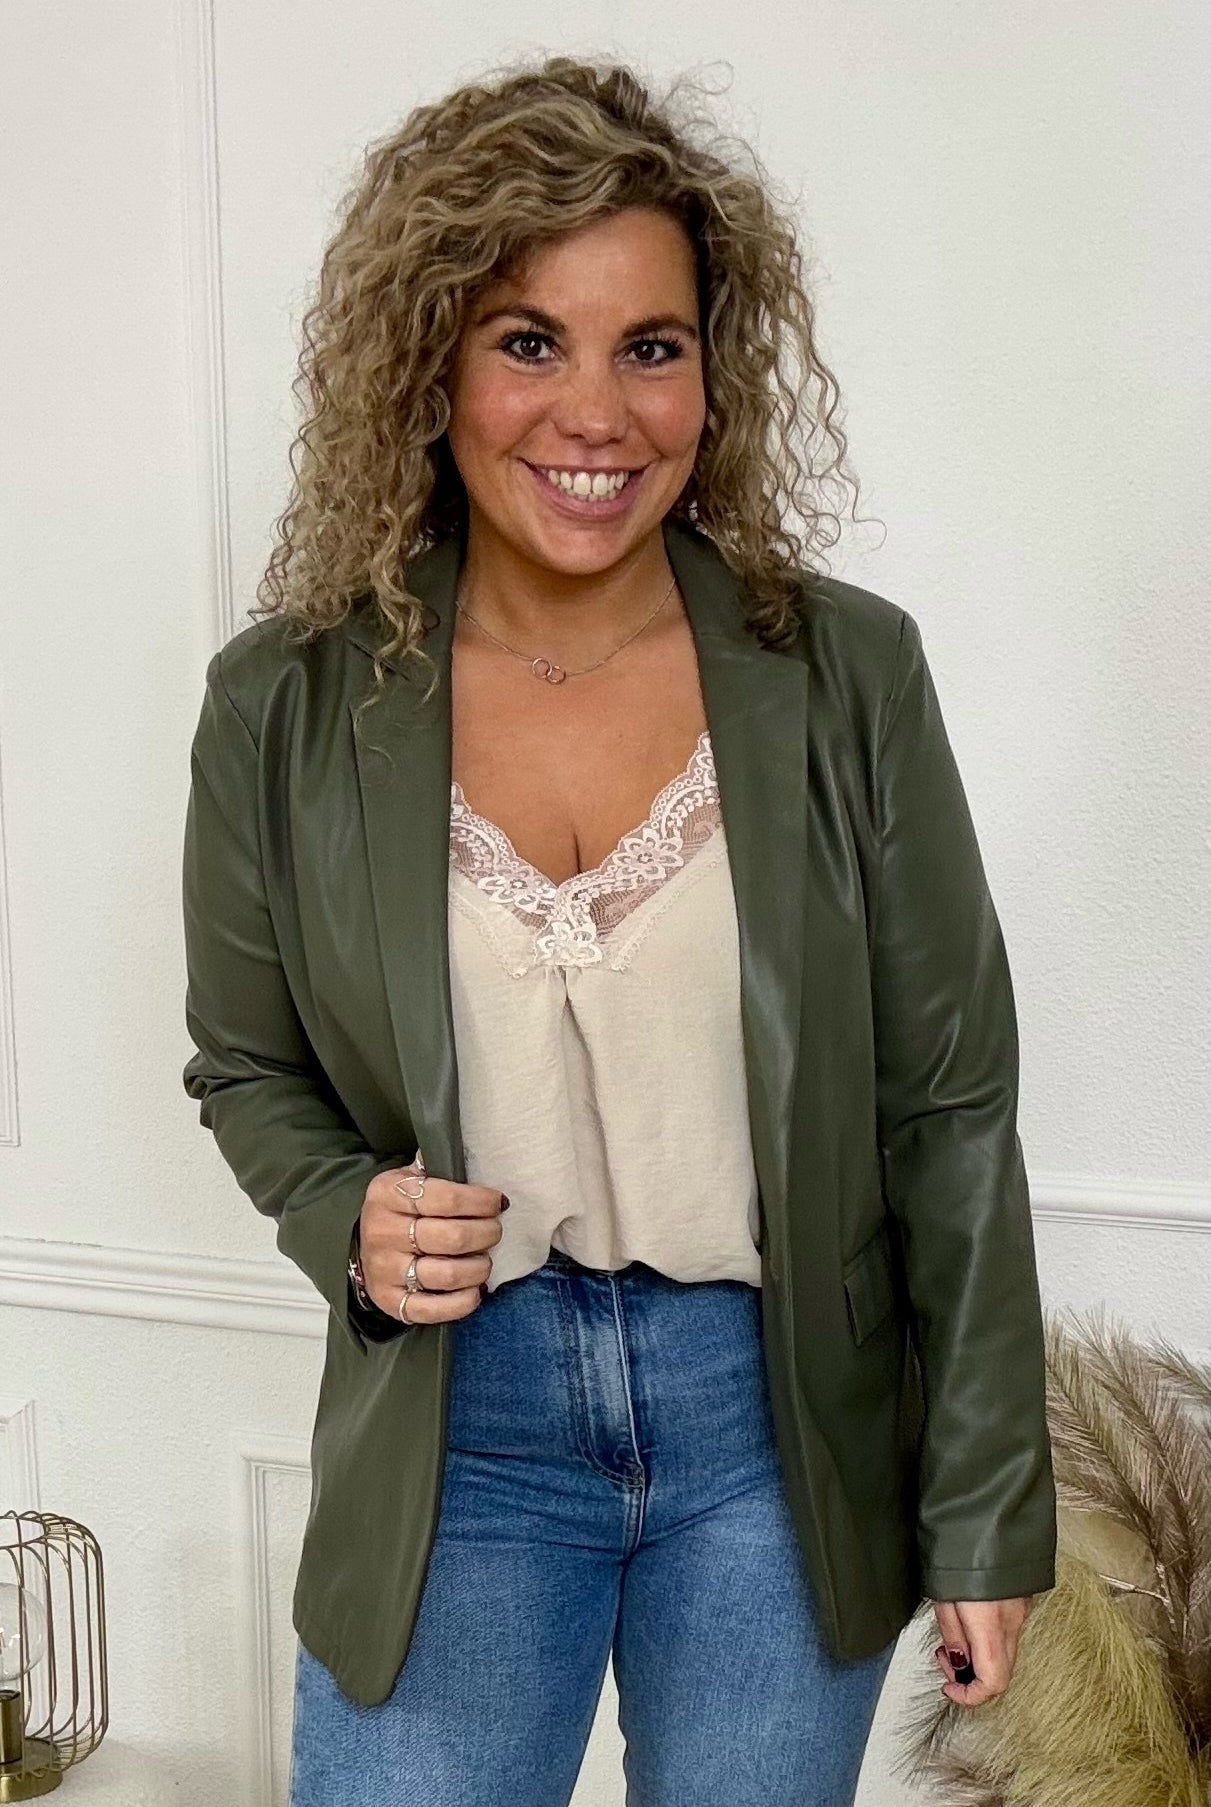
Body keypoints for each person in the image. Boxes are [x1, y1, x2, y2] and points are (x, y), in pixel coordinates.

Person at [181, 54, 1057, 1807]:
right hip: (457, 1435)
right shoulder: (284, 704)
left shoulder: (847, 675)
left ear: (712, 378)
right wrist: (345, 1216)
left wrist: (983, 1512)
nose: (598, 413)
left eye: (651, 347)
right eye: (530, 341)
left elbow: (949, 1116)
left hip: (775, 1438)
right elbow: (247, 1069)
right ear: (428, 364)